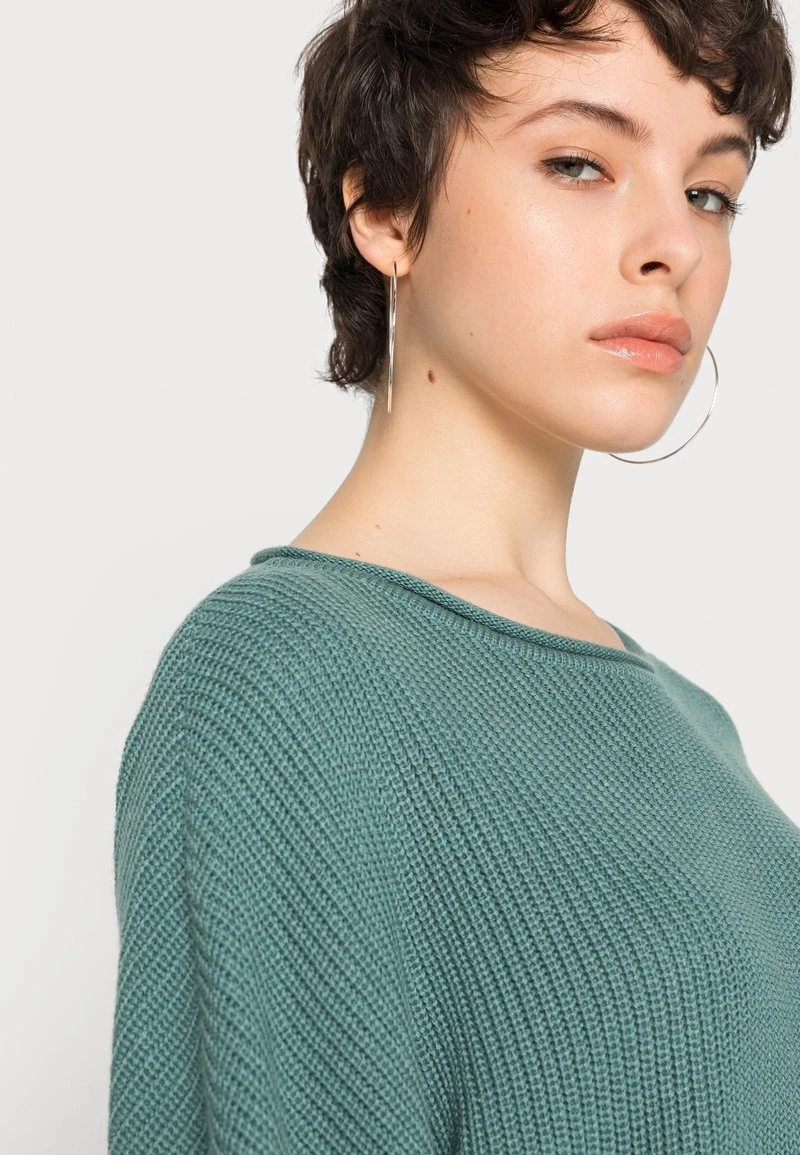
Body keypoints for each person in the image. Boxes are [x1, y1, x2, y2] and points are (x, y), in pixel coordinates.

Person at [108, 1, 799, 1152]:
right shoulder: (281, 681)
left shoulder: (694, 728)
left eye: (707, 191)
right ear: (385, 206)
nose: (671, 245)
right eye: (578, 164)